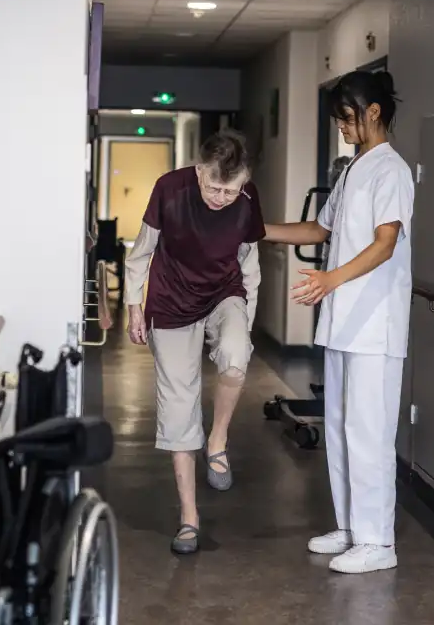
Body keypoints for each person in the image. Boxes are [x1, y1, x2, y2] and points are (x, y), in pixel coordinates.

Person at [264, 70, 414, 575]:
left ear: (373, 112)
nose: (343, 128)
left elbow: (385, 241)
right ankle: (352, 528)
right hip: (345, 324)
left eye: (347, 118)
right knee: (341, 428)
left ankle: (379, 542)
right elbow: (319, 227)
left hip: (376, 324)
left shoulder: (390, 170)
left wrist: (331, 280)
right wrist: (256, 228)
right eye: (338, 120)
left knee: (369, 432)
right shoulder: (352, 170)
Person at [123, 129, 264, 555]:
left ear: (245, 181)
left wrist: (246, 324)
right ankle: (189, 519)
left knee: (237, 357)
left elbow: (249, 265)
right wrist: (134, 305)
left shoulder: (247, 199)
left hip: (224, 292)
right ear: (199, 171)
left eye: (232, 189)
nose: (222, 197)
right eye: (215, 187)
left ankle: (217, 441)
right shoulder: (170, 188)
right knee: (179, 404)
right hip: (170, 299)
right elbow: (142, 251)